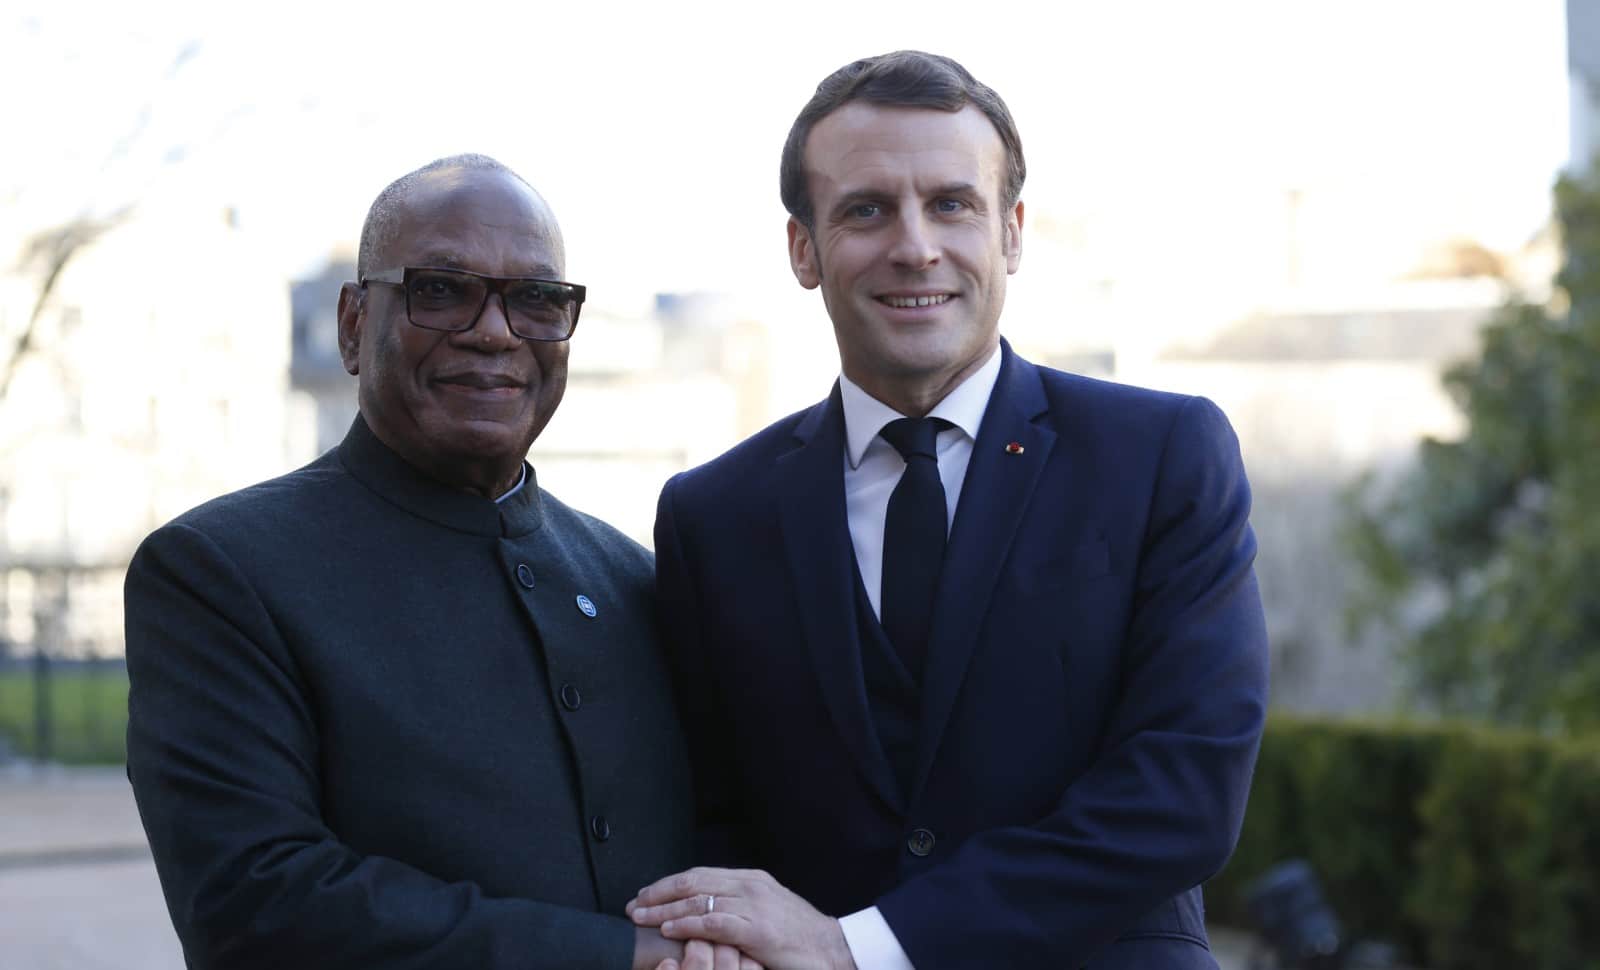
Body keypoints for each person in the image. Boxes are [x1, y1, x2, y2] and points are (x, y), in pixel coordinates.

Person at [631, 52, 1270, 969]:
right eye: (865, 209)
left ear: (1011, 232)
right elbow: (716, 818)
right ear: (802, 249)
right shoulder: (712, 516)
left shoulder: (1163, 456)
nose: (915, 245)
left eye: (952, 203)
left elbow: (1184, 794)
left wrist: (863, 948)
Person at [125, 154, 706, 970]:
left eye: (537, 300)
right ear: (354, 325)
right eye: (441, 289)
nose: (496, 331)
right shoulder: (220, 572)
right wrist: (623, 956)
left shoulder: (635, 580)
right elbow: (254, 905)